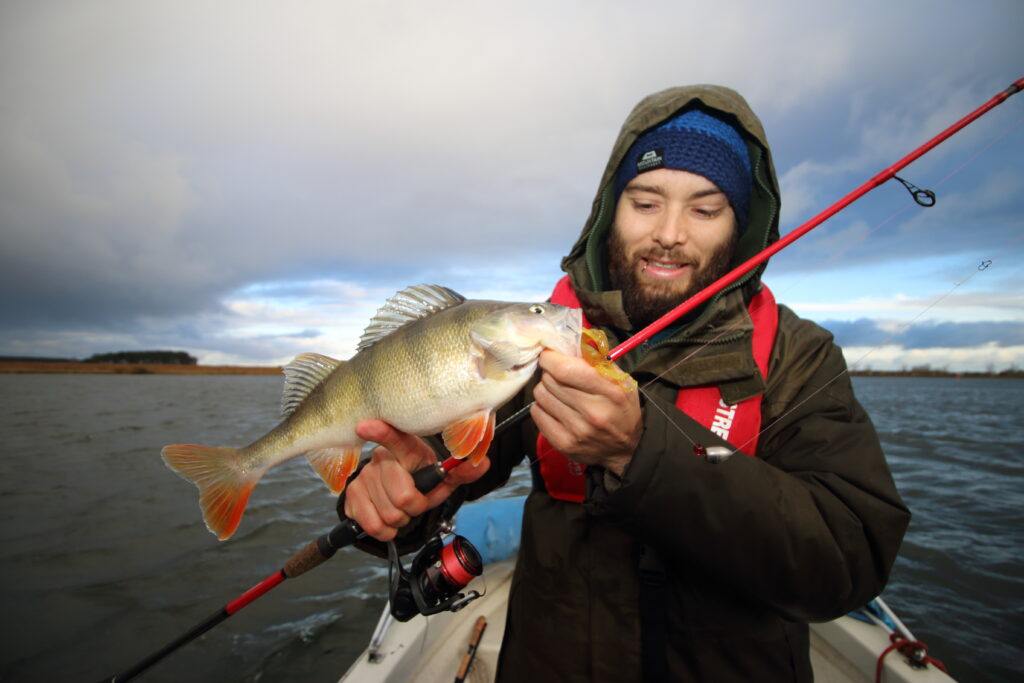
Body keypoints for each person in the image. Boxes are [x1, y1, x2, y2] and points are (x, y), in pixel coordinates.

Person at [342, 85, 910, 682]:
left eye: (705, 209)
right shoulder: (542, 340)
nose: (669, 232)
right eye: (645, 202)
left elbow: (850, 559)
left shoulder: (799, 355)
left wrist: (640, 454)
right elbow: (444, 456)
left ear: (741, 228)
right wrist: (392, 499)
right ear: (608, 210)